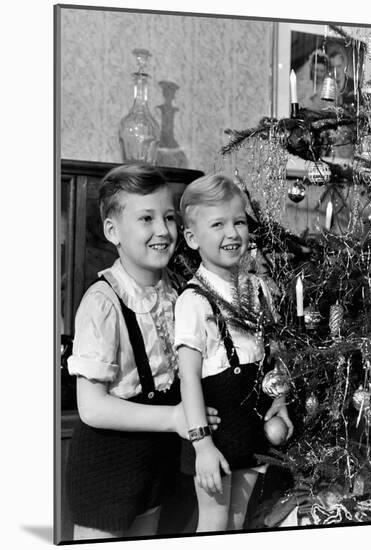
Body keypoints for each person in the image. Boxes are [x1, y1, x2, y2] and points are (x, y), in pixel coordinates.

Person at [65, 163, 220, 540]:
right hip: (107, 467)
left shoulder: (178, 294)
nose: (163, 231)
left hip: (154, 465)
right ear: (112, 231)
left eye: (168, 217)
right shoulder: (102, 302)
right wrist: (174, 418)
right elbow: (92, 407)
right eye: (146, 219)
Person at [174, 174, 294, 533]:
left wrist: (281, 400)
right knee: (213, 524)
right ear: (193, 238)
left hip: (252, 423)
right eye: (218, 224)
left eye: (239, 222)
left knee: (238, 521)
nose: (233, 233)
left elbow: (277, 352)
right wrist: (202, 445)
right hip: (216, 431)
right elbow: (189, 379)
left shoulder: (259, 289)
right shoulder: (193, 301)